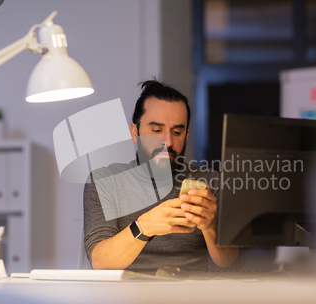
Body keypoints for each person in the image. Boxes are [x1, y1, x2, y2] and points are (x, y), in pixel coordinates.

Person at [83, 80, 244, 273]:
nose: (168, 141)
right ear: (135, 133)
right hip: (126, 300)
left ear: (186, 135)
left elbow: (233, 264)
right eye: (156, 130)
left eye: (177, 132)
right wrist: (144, 227)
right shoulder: (104, 181)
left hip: (192, 300)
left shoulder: (211, 182)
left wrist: (210, 226)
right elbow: (100, 262)